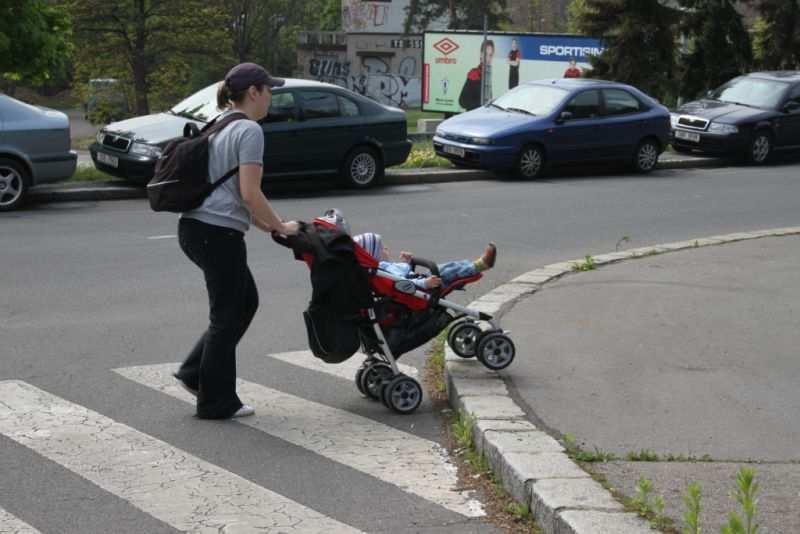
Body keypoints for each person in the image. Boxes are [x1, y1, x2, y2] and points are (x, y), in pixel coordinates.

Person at [173, 62, 300, 420]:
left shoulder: (220, 122)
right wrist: (280, 225)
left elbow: (232, 192)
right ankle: (215, 401)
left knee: (243, 303)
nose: (272, 96)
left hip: (197, 228)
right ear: (254, 92)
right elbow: (248, 192)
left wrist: (267, 227)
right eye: (269, 90)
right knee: (227, 315)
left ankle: (195, 372)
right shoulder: (249, 130)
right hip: (217, 234)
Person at [353, 233, 497, 289]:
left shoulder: (382, 268)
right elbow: (401, 283)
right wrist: (424, 284)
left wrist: (407, 262)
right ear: (373, 255)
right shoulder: (383, 270)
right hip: (422, 289)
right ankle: (480, 265)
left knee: (449, 267)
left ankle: (478, 264)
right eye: (382, 248)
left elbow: (401, 274)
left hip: (419, 282)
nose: (386, 248)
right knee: (446, 271)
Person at [459, 39, 495, 111]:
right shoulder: (474, 74)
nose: (488, 58)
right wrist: (481, 104)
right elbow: (462, 101)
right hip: (473, 118)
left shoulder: (488, 75)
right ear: (481, 55)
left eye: (490, 55)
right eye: (485, 54)